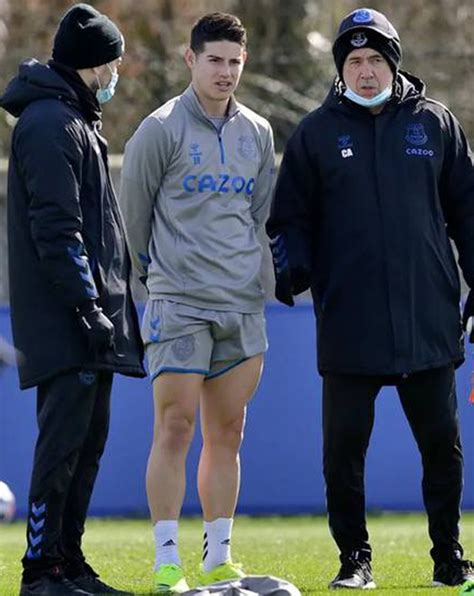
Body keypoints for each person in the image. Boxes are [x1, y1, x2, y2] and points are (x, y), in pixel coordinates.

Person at [266, 6, 474, 591]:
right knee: (343, 454)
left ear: (393, 64)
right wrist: (294, 269)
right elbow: (287, 218)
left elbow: (468, 213)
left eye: (375, 60)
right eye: (354, 61)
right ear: (341, 69)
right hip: (349, 321)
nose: (365, 71)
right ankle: (354, 561)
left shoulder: (435, 123)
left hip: (427, 319)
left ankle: (449, 560)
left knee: (442, 447)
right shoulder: (315, 132)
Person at [120, 12, 275, 594]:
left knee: (229, 432)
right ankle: (166, 559)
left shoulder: (258, 132)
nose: (226, 72)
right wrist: (151, 283)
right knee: (175, 426)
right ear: (190, 60)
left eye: (235, 61)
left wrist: (253, 284)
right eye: (215, 59)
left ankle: (217, 556)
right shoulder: (158, 129)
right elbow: (133, 220)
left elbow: (256, 216)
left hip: (242, 305)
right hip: (178, 302)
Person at [0, 4, 145, 595]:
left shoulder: (77, 120)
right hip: (70, 320)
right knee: (62, 447)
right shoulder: (49, 124)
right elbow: (57, 230)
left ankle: (68, 561)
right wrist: (87, 307)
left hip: (93, 319)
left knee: (87, 447)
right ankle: (41, 569)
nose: (117, 72)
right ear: (93, 64)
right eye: (113, 61)